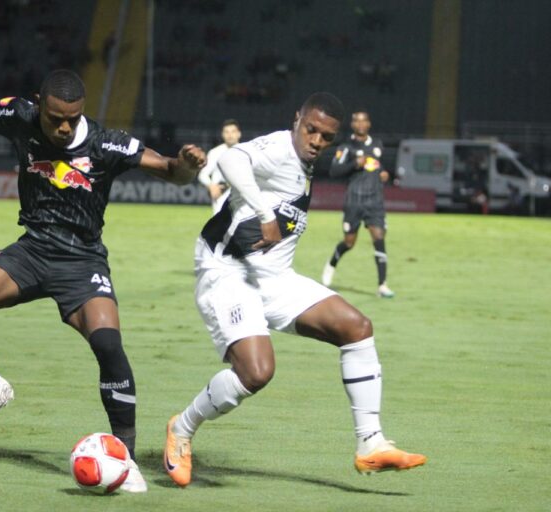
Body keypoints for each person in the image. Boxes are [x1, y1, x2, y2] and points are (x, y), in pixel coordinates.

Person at [0, 70, 206, 493]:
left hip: (81, 261)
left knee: (108, 345)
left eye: (72, 118)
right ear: (39, 105)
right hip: (32, 251)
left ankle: (125, 458)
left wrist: (187, 167)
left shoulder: (107, 144)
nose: (64, 127)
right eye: (55, 119)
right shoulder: (21, 118)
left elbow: (168, 170)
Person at [162, 93, 426, 487]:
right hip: (229, 271)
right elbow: (231, 160)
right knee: (256, 371)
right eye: (311, 129)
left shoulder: (307, 162)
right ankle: (181, 429)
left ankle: (370, 443)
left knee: (357, 328)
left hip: (274, 276)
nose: (316, 139)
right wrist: (266, 214)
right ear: (296, 120)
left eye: (326, 136)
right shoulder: (278, 149)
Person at [321, 109, 394, 298]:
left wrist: (384, 173)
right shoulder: (346, 147)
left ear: (368, 124)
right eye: (357, 121)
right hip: (354, 201)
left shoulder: (377, 144)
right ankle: (331, 264)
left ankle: (382, 285)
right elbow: (334, 171)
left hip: (375, 200)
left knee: (379, 237)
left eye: (364, 121)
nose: (361, 124)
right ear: (353, 125)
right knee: (349, 242)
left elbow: (379, 165)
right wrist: (354, 164)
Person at [197, 119, 242, 214]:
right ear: (222, 134)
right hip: (221, 194)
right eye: (227, 132)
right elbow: (203, 174)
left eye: (233, 132)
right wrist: (211, 186)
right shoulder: (215, 153)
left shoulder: (247, 152)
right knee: (221, 226)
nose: (230, 135)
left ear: (239, 134)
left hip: (241, 194)